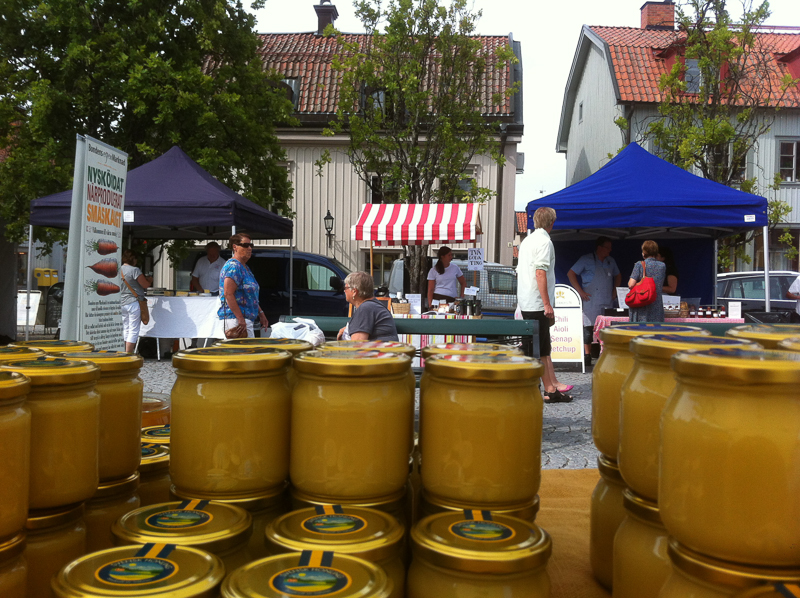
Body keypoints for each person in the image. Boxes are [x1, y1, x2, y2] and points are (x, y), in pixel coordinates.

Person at [517, 206, 573, 403]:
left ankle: (551, 385)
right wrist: (547, 304)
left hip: (527, 300)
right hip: (537, 302)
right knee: (539, 348)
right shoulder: (544, 242)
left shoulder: (528, 240)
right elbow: (540, 272)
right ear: (552, 223)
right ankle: (549, 389)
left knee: (542, 345)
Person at [567, 236, 621, 367]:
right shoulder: (586, 259)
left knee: (606, 329)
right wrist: (580, 292)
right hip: (591, 300)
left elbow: (618, 275)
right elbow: (571, 274)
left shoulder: (610, 261)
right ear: (599, 248)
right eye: (607, 248)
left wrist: (615, 291)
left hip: (607, 300)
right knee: (588, 328)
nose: (610, 250)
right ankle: (587, 355)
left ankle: (605, 354)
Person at [218, 233, 268, 338]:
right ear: (235, 247)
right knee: (242, 353)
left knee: (246, 353)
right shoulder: (233, 266)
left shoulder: (244, 268)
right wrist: (240, 319)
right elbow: (228, 294)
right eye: (245, 245)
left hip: (244, 319)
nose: (249, 248)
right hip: (236, 320)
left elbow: (250, 295)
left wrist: (261, 313)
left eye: (251, 245)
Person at [337, 271, 399, 341]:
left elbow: (357, 344)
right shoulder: (372, 306)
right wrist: (348, 329)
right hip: (385, 350)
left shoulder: (366, 308)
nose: (344, 291)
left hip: (378, 351)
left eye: (346, 288)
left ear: (354, 292)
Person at [120, 249, 152, 353]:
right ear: (133, 259)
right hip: (134, 302)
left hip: (122, 302)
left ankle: (124, 351)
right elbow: (145, 285)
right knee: (133, 329)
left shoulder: (119, 270)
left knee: (126, 328)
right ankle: (128, 353)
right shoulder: (134, 270)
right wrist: (149, 280)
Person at [627, 240, 667, 322]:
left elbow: (631, 284)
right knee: (655, 332)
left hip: (642, 304)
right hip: (656, 305)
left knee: (641, 331)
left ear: (644, 252)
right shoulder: (662, 266)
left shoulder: (639, 264)